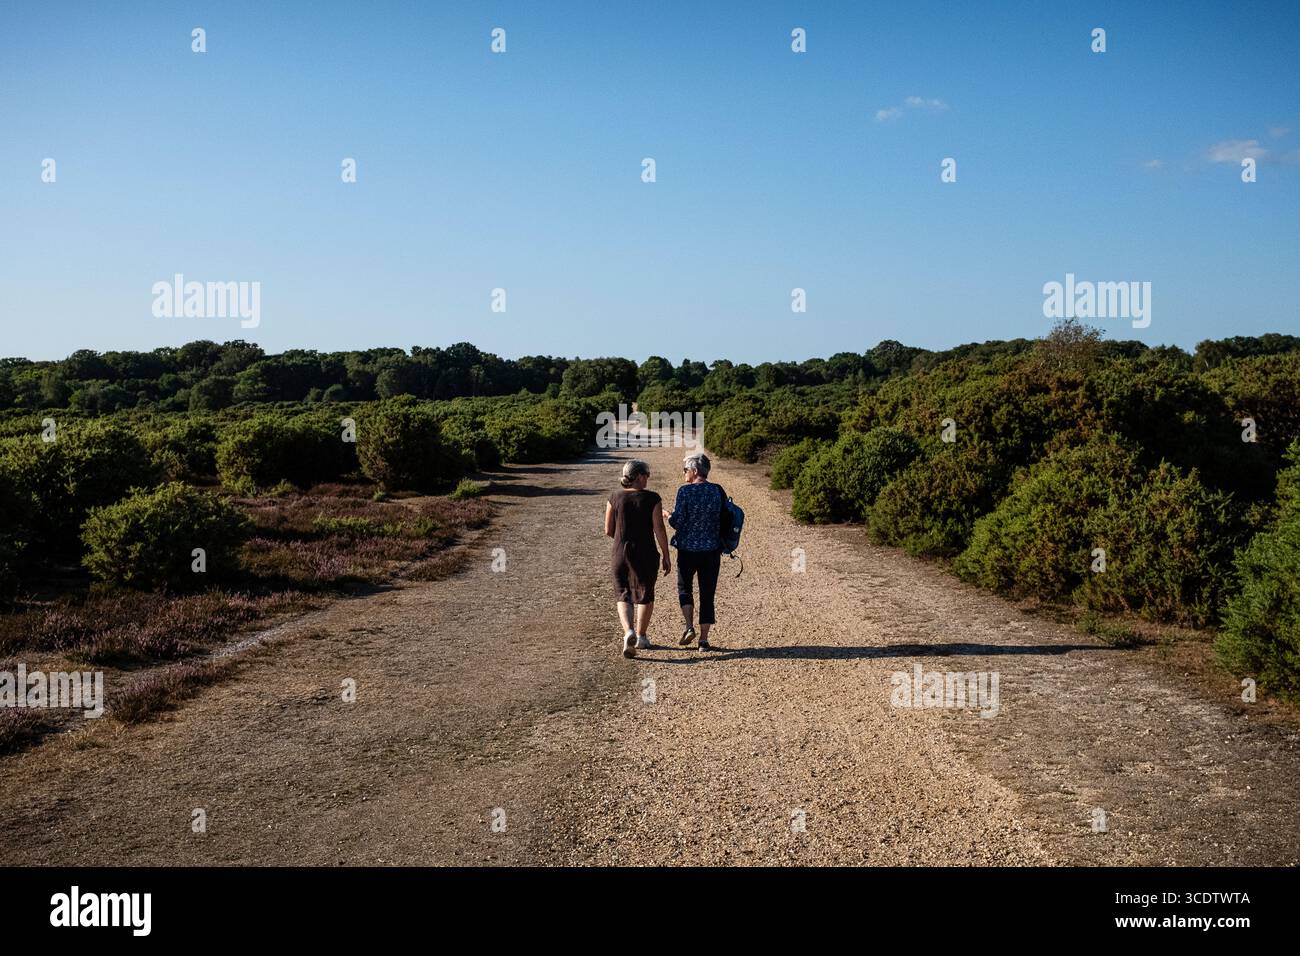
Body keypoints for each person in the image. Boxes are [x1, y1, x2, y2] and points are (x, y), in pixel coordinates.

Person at [604, 459, 671, 659]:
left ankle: (628, 632)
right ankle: (641, 635)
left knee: (623, 593)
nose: (648, 478)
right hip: (646, 552)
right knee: (645, 593)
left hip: (620, 552)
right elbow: (659, 529)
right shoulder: (652, 499)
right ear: (639, 476)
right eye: (647, 475)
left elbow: (608, 530)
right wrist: (666, 554)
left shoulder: (614, 497)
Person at [665, 452, 727, 650]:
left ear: (694, 471)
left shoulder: (685, 492)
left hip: (687, 550)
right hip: (711, 550)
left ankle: (689, 626)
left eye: (685, 470)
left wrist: (668, 515)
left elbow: (678, 522)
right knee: (707, 593)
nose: (684, 473)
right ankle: (704, 640)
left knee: (685, 588)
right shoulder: (717, 491)